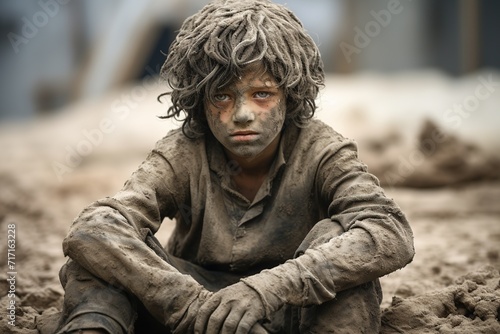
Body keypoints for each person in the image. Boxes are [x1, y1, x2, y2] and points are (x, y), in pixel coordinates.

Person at [38, 0, 414, 333]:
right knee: (102, 258)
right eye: (222, 96)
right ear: (199, 101)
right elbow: (94, 228)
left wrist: (267, 289)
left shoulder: (322, 150)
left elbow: (389, 230)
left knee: (342, 249)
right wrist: (192, 304)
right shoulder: (184, 151)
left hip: (294, 310)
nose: (242, 114)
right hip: (188, 313)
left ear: (291, 95)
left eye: (262, 93)